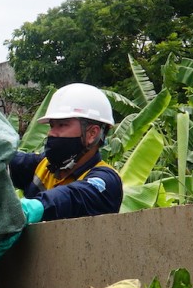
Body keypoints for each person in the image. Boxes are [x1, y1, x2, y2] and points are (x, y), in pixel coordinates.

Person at [8, 82, 123, 229]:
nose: (51, 133)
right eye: (52, 126)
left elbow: (73, 197)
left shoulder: (105, 180)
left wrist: (36, 207)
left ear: (91, 134)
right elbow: (3, 161)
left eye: (62, 125)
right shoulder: (42, 165)